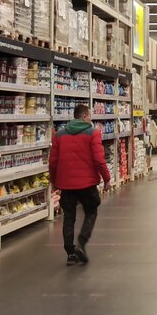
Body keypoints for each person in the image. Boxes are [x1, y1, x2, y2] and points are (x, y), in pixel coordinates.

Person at [48, 103, 111, 265]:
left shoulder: (59, 135)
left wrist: (54, 182)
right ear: (83, 117)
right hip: (87, 183)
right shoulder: (93, 133)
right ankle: (81, 243)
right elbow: (99, 160)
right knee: (91, 211)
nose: (90, 119)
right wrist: (107, 179)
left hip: (66, 184)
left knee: (69, 216)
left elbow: (53, 162)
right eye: (89, 116)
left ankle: (70, 253)